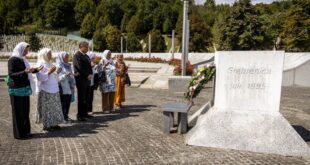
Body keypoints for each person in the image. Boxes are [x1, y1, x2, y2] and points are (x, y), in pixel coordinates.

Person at [7, 42, 42, 139]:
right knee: (18, 112)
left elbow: (28, 70)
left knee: (25, 111)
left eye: (27, 51)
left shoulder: (23, 59)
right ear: (20, 50)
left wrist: (36, 70)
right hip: (16, 89)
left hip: (25, 89)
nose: (27, 52)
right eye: (25, 51)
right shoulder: (12, 60)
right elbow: (11, 74)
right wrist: (24, 72)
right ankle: (19, 134)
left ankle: (26, 131)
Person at [36, 48, 64, 131]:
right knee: (47, 108)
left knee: (54, 107)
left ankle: (53, 123)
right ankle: (46, 125)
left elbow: (53, 75)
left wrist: (57, 72)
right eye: (49, 54)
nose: (51, 56)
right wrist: (50, 72)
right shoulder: (40, 63)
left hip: (54, 88)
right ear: (44, 55)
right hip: (46, 89)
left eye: (51, 54)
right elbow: (40, 77)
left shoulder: (49, 63)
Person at [73, 41, 93, 121]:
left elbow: (89, 66)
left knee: (87, 97)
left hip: (87, 79)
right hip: (81, 79)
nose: (87, 48)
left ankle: (85, 113)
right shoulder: (77, 55)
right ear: (81, 47)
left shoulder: (87, 56)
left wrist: (91, 74)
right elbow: (79, 67)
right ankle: (80, 115)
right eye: (86, 47)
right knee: (81, 97)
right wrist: (87, 75)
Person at [56, 52, 75, 122]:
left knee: (67, 102)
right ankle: (62, 117)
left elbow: (71, 74)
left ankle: (66, 116)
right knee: (63, 102)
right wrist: (65, 75)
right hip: (63, 87)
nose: (67, 58)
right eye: (66, 57)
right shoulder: (58, 66)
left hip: (69, 87)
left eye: (68, 57)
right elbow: (57, 78)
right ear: (62, 57)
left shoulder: (68, 65)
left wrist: (73, 76)